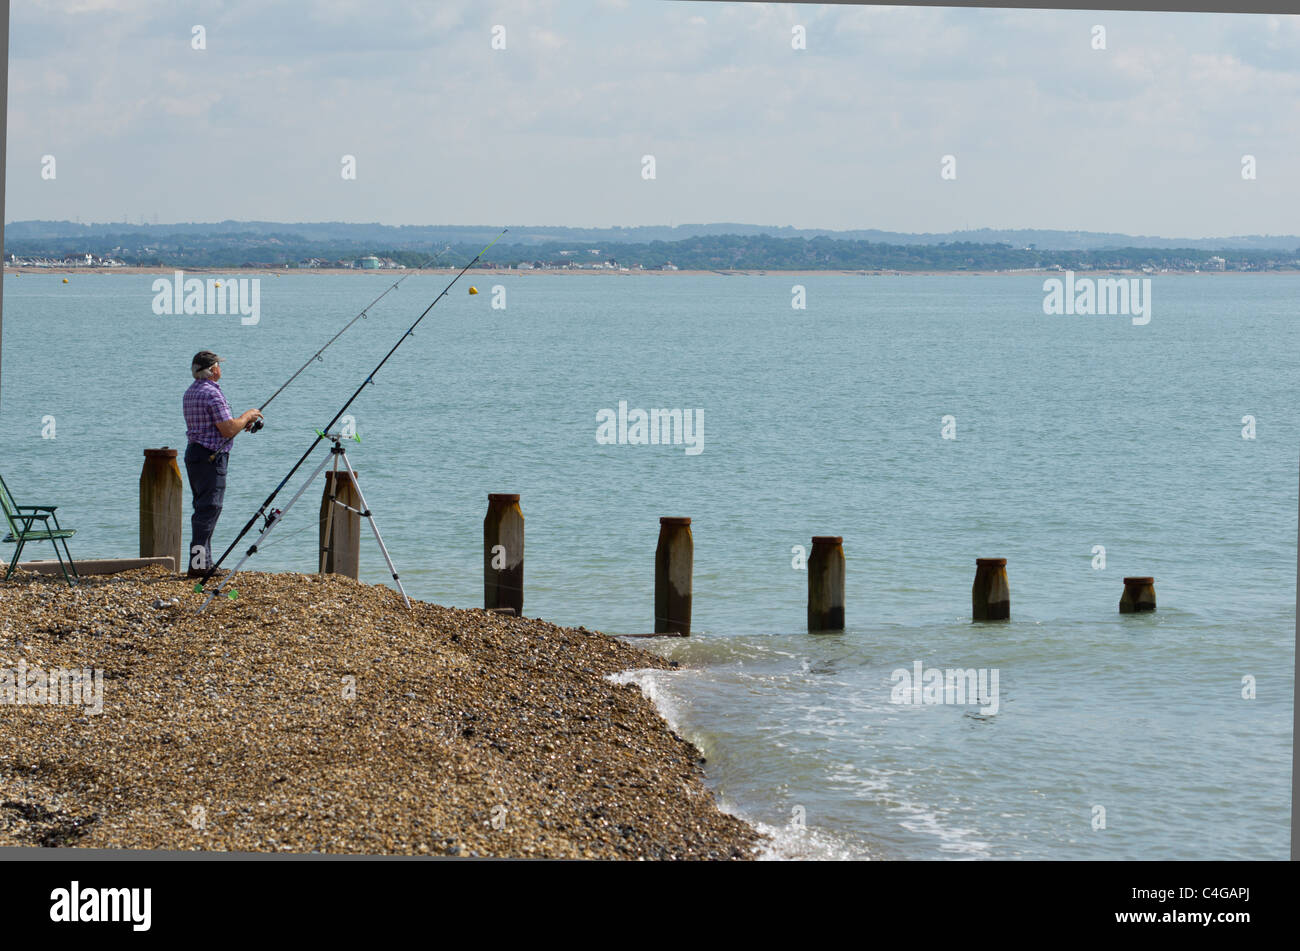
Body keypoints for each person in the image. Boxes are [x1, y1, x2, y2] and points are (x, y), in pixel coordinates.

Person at [182, 351, 262, 577]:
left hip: (195, 454)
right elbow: (227, 429)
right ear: (213, 370)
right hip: (210, 457)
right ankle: (199, 566)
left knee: (202, 508)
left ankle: (201, 561)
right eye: (218, 366)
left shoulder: (191, 392)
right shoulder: (212, 394)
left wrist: (239, 424)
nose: (220, 369)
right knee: (209, 509)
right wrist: (247, 416)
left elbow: (218, 426)